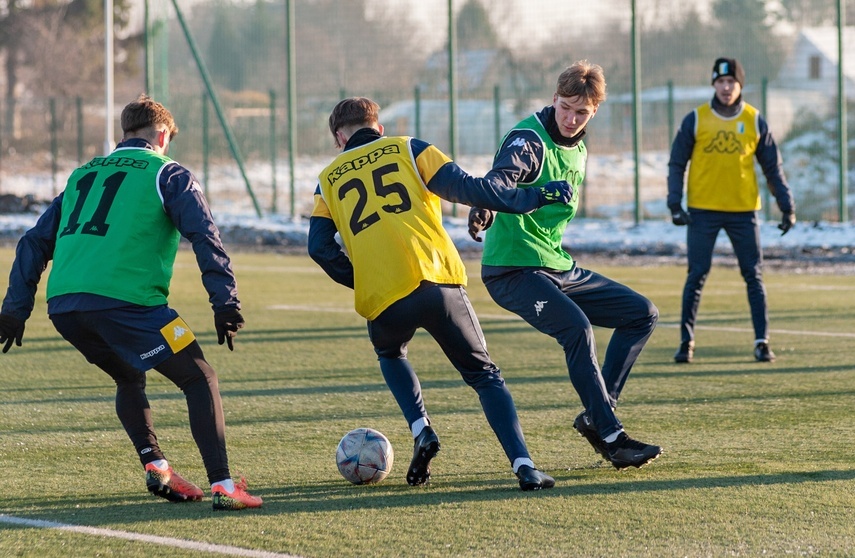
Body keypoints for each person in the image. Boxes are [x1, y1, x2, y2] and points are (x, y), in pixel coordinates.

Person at [0, 94, 262, 511]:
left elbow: (33, 241)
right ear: (162, 135)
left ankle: (156, 466)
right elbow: (205, 235)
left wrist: (14, 310)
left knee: (128, 377)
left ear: (126, 133)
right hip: (129, 305)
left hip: (66, 306)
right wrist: (224, 301)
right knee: (199, 377)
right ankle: (225, 487)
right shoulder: (168, 173)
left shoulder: (83, 174)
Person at [308, 97, 575, 491]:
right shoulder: (409, 148)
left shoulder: (327, 180)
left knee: (390, 353)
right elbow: (474, 190)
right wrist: (537, 196)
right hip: (437, 280)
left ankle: (421, 429)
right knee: (485, 377)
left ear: (338, 137)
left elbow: (319, 247)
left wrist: (363, 277)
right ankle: (524, 466)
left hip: (385, 297)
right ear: (378, 128)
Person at [468, 60, 662, 469]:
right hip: (512, 269)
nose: (571, 119)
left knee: (641, 313)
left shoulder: (579, 147)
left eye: (582, 113)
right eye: (566, 108)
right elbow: (501, 180)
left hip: (556, 265)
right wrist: (485, 207)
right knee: (577, 329)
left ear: (595, 111)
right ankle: (613, 437)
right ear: (554, 99)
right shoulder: (529, 140)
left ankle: (596, 415)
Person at [667, 57, 796, 364]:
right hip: (703, 211)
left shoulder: (754, 120)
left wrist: (787, 206)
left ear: (740, 86)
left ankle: (762, 342)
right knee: (696, 275)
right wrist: (674, 202)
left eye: (732, 83)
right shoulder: (695, 119)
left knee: (753, 275)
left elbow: (772, 167)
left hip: (743, 212)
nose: (726, 88)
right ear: (714, 84)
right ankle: (686, 342)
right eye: (721, 82)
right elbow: (677, 162)